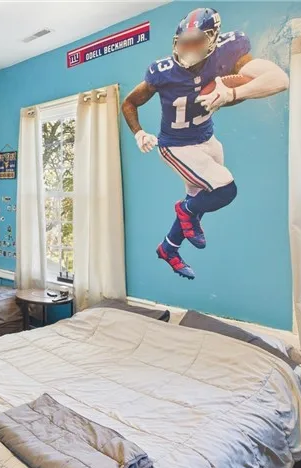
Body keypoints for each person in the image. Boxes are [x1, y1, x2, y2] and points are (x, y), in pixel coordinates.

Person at [121, 7, 288, 280]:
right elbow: (129, 102)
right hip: (176, 145)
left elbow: (280, 80)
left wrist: (233, 92)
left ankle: (168, 248)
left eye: (196, 41)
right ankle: (185, 211)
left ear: (213, 38)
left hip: (207, 138)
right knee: (224, 190)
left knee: (200, 198)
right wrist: (139, 132)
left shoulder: (230, 51)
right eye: (184, 42)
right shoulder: (162, 71)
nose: (189, 48)